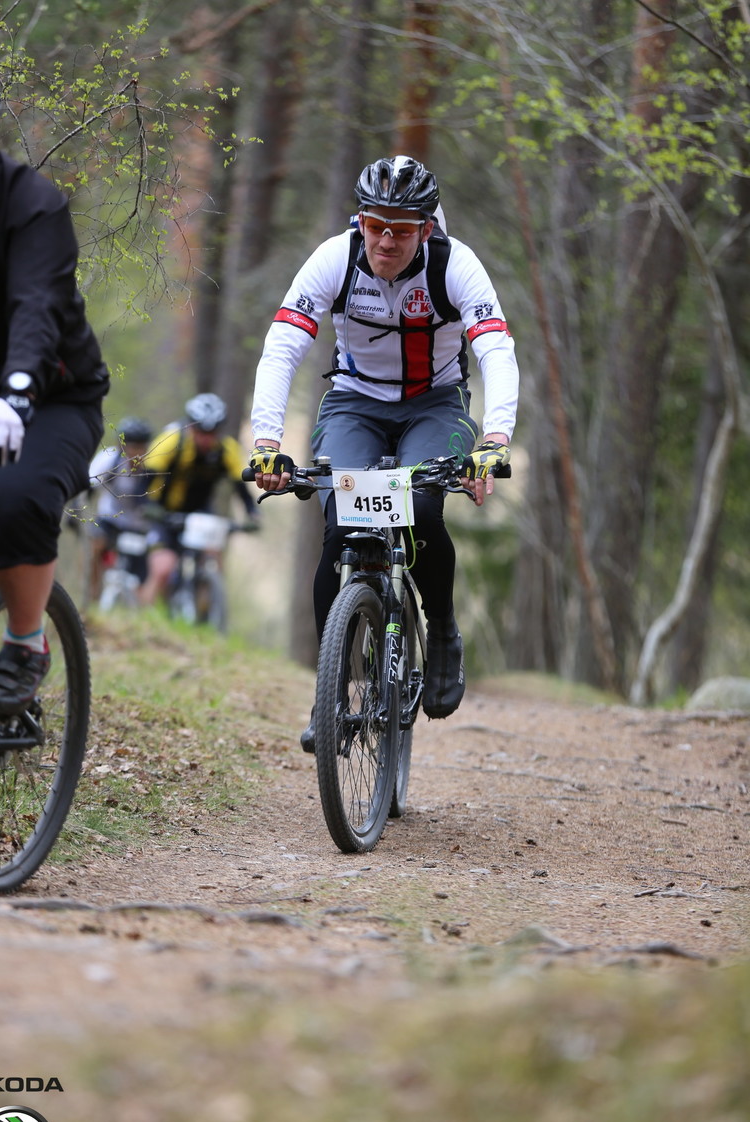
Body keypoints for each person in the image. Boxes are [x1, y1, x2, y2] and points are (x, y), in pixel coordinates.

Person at [249, 155, 518, 751]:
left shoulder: (455, 266)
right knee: (340, 520)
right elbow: (282, 347)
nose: (387, 240)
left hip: (436, 404)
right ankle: (332, 695)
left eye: (402, 228)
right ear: (361, 221)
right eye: (376, 226)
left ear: (427, 228)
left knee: (420, 508)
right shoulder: (335, 257)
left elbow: (497, 350)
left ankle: (442, 628)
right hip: (355, 403)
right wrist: (268, 443)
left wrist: (495, 440)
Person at [0, 55, 108, 716]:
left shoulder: (31, 206)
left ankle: (25, 643)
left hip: (48, 403)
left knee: (3, 496)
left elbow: (36, 310)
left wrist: (14, 393)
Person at [138, 393, 257, 606]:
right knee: (163, 569)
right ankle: (142, 620)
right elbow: (144, 481)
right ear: (191, 427)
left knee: (213, 558)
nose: (206, 438)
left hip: (200, 512)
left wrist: (252, 514)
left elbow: (240, 487)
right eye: (201, 432)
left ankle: (207, 617)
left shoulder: (226, 449)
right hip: (164, 511)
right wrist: (146, 506)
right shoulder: (172, 441)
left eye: (212, 433)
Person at [86, 416, 154, 601]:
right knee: (95, 548)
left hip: (139, 526)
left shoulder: (153, 467)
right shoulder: (109, 460)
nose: (137, 453)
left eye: (142, 446)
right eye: (132, 446)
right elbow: (88, 486)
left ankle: (139, 610)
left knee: (143, 574)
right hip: (110, 519)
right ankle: (93, 595)